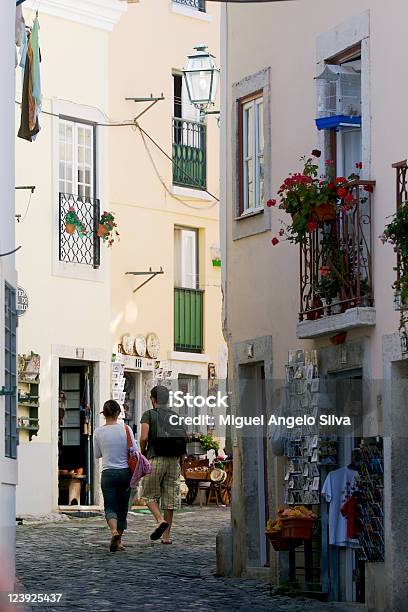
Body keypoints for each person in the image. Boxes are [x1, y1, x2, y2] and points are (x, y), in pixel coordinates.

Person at [140, 385, 184, 544]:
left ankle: (159, 520)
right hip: (173, 461)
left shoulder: (149, 415)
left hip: (156, 458)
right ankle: (166, 537)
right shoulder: (175, 416)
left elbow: (144, 437)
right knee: (170, 499)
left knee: (148, 494)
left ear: (153, 400)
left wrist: (142, 452)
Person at [93, 399, 137, 552]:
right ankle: (119, 541)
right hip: (125, 472)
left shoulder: (98, 432)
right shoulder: (126, 429)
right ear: (118, 413)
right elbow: (135, 451)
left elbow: (97, 454)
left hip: (108, 473)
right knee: (122, 508)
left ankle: (113, 532)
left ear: (104, 414)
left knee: (110, 506)